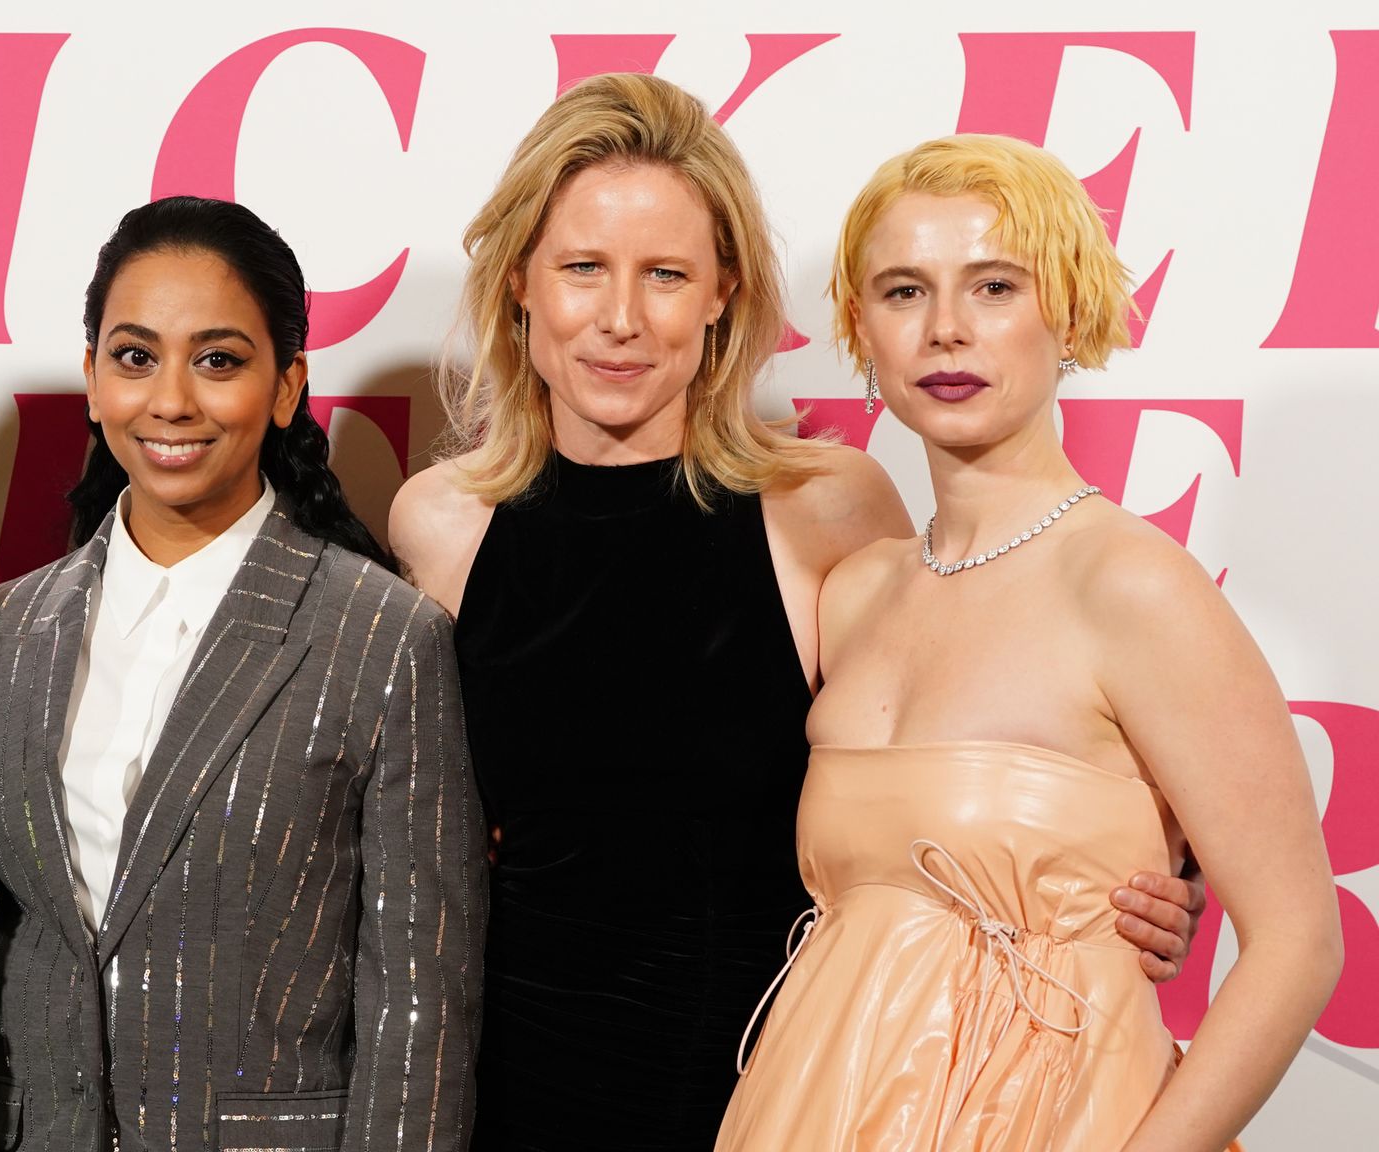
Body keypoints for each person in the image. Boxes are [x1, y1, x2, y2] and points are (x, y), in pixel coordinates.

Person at [387, 74, 1209, 1148]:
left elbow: (962, 737)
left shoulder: (821, 508)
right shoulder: (440, 526)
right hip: (510, 1089)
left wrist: (1149, 876)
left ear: (723, 292)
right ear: (519, 285)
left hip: (795, 1084)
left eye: (666, 274)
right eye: (583, 268)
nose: (621, 318)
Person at [716, 134, 1342, 1150]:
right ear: (860, 330)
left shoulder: (1131, 584)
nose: (945, 331)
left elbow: (1297, 943)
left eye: (994, 286)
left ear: (1066, 310)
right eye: (902, 292)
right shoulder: (854, 592)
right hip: (807, 1106)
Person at [0, 196, 485, 1152]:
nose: (171, 400)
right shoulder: (6, 630)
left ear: (287, 387)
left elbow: (421, 1008)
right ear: (91, 378)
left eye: (219, 359)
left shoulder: (381, 637)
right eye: (134, 357)